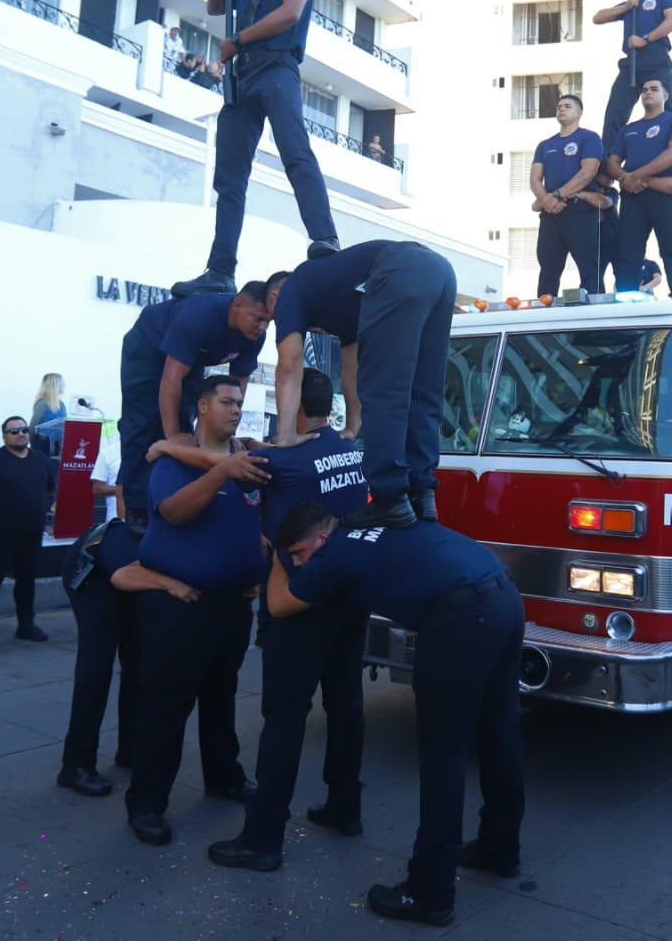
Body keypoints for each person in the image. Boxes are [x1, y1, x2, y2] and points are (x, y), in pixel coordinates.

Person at [266, 504, 525, 925]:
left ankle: (430, 893)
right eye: (292, 557)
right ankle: (500, 847)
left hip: (460, 615)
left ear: (322, 538)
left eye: (299, 553)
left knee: (442, 756)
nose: (298, 563)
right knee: (500, 733)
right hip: (502, 595)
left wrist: (275, 556)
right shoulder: (365, 523)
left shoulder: (332, 557)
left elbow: (279, 604)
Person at [202, 368, 371, 871]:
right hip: (349, 590)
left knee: (284, 715)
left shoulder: (278, 460)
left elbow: (221, 464)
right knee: (345, 702)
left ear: (293, 403)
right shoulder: (345, 448)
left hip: (299, 596)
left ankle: (263, 837)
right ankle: (345, 808)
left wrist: (164, 449)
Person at [121, 379, 269, 846]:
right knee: (166, 707)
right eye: (226, 402)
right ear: (202, 407)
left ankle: (224, 776)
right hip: (179, 607)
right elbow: (175, 513)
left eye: (240, 404)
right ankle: (147, 804)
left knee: (221, 698)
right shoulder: (174, 462)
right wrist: (221, 473)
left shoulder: (247, 458)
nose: (235, 411)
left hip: (232, 605)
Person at [172, 0, 340, 297]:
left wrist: (239, 40)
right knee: (229, 179)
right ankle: (220, 268)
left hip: (275, 67)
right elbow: (216, 6)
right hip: (241, 74)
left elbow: (290, 13)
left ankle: (325, 238)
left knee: (295, 153)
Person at [272, 242, 456, 529]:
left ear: (274, 295)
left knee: (385, 390)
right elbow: (351, 368)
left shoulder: (290, 291)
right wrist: (352, 426)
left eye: (267, 315)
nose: (272, 322)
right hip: (441, 270)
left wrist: (284, 437)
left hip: (401, 269)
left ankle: (390, 497)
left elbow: (289, 365)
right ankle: (423, 493)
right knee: (423, 389)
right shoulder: (337, 292)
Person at [117, 277, 281, 526]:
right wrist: (171, 439)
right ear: (237, 305)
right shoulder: (199, 316)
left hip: (191, 359)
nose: (262, 327)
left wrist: (230, 432)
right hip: (148, 349)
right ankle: (137, 506)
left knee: (186, 424)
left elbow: (238, 385)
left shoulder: (254, 337)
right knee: (142, 423)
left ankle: (180, 489)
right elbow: (170, 379)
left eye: (267, 321)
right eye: (257, 318)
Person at [57, 512, 199, 799]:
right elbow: (132, 577)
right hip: (92, 573)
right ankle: (75, 765)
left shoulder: (192, 535)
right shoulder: (157, 539)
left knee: (137, 663)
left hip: (129, 577)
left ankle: (130, 749)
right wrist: (169, 584)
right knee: (96, 666)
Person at [0, 415, 56, 650]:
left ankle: (26, 625)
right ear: (4, 436)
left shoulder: (41, 460)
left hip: (31, 531)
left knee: (26, 578)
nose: (21, 434)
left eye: (24, 429)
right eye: (14, 431)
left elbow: (49, 489)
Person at [605, 79, 672, 297]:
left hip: (665, 196)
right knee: (628, 252)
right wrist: (626, 177)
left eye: (654, 89)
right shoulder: (629, 129)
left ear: (665, 96)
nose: (647, 93)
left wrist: (637, 176)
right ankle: (625, 302)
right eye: (644, 90)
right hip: (633, 197)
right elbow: (612, 162)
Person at [592, 0, 672, 143]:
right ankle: (608, 161)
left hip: (656, 59)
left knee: (670, 108)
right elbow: (598, 17)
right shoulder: (631, 3)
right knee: (615, 113)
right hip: (631, 62)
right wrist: (625, 7)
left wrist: (645, 39)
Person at [530, 93, 603, 298]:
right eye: (559, 106)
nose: (561, 109)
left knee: (589, 269)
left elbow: (588, 172)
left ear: (579, 113)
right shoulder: (545, 145)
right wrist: (546, 200)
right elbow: (535, 178)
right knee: (548, 269)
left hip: (579, 211)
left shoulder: (589, 138)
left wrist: (558, 196)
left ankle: (596, 320)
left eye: (568, 106)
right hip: (550, 214)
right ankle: (544, 318)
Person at [576, 171, 620, 293]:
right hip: (595, 243)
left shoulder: (612, 192)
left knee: (623, 275)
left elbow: (605, 203)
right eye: (607, 176)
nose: (611, 180)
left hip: (615, 239)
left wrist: (585, 195)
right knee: (593, 277)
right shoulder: (587, 188)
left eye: (612, 178)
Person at [29, 372, 66, 459]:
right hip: (43, 446)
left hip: (58, 446)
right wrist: (31, 448)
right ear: (56, 385)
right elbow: (32, 428)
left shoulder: (62, 404)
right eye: (62, 383)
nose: (64, 386)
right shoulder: (42, 404)